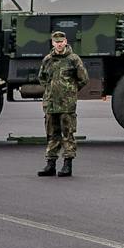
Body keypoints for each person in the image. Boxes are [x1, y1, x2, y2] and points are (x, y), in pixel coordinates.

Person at [35, 30, 89, 178]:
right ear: (53, 43)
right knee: (52, 134)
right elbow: (42, 78)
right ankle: (50, 165)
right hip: (51, 103)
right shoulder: (48, 60)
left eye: (61, 42)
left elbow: (83, 79)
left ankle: (67, 165)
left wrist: (70, 90)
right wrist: (51, 90)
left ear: (65, 42)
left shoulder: (73, 59)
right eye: (56, 42)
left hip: (67, 104)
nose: (59, 44)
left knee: (68, 134)